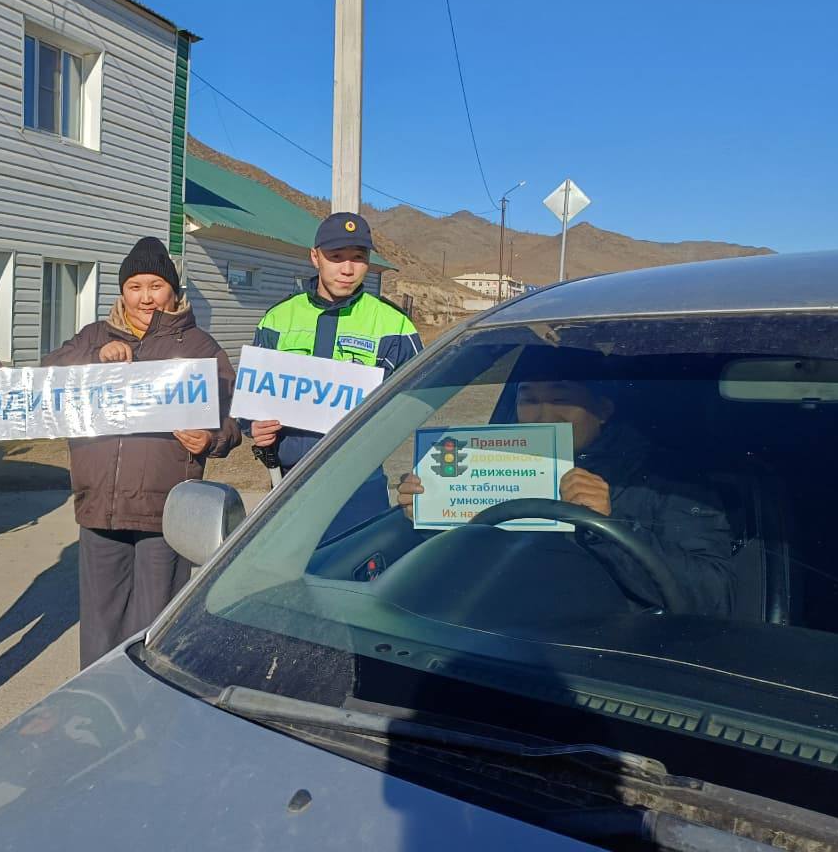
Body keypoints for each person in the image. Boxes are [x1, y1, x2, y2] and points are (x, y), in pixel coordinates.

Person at [42, 236, 241, 668]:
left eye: (156, 285)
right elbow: (46, 382)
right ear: (122, 292)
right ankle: (99, 702)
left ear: (173, 290)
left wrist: (210, 439)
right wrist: (96, 357)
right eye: (135, 287)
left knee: (158, 621)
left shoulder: (199, 347)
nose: (146, 297)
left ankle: (152, 707)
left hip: (165, 510)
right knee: (100, 622)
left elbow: (232, 417)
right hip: (101, 506)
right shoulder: (93, 337)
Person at [398, 376, 736, 616]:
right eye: (528, 400)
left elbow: (713, 596)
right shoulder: (490, 464)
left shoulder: (665, 478)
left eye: (561, 400)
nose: (542, 415)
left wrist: (610, 524)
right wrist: (433, 513)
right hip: (498, 637)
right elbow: (471, 564)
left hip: (610, 659)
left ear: (603, 410)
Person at [247, 213, 422, 523]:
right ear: (315, 258)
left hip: (360, 490)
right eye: (336, 257)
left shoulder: (396, 325)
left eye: (358, 257)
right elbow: (252, 401)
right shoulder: (276, 318)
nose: (347, 268)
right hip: (288, 483)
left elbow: (417, 408)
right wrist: (253, 426)